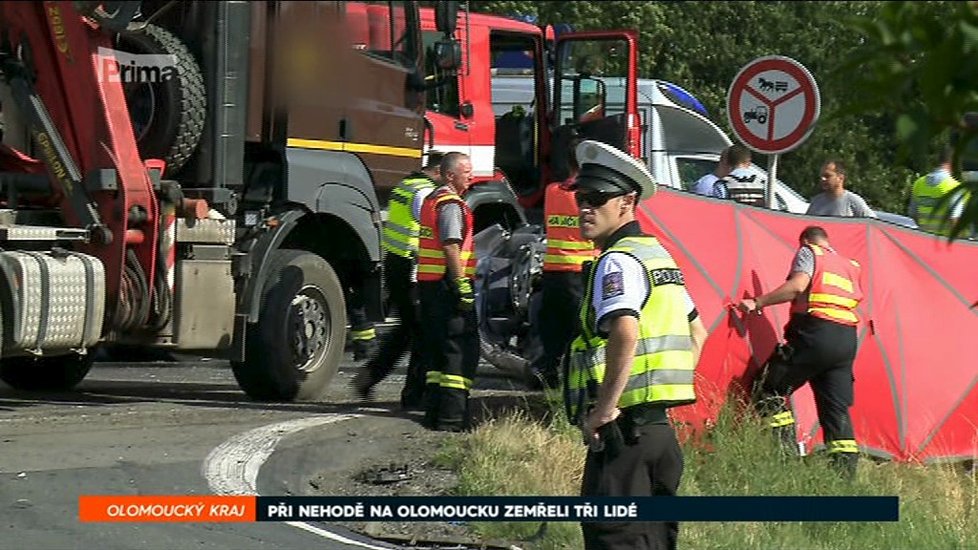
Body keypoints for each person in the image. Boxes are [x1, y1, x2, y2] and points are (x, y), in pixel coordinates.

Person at [565, 139, 708, 550]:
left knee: (616, 539)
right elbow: (698, 333)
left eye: (597, 198)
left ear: (627, 201)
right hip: (659, 435)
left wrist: (604, 409)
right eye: (581, 198)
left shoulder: (617, 260)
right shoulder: (658, 256)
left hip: (624, 435)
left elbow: (625, 332)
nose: (585, 207)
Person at [737, 225, 863, 480]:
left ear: (806, 241)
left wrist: (758, 302)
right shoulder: (850, 265)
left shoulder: (809, 252)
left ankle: (785, 456)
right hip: (847, 340)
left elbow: (797, 286)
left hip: (816, 332)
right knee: (835, 408)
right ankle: (845, 478)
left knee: (767, 388)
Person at [353, 151, 443, 406]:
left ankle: (370, 376)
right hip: (413, 267)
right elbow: (432, 231)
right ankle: (414, 395)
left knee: (406, 331)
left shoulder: (405, 185)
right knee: (423, 333)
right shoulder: (426, 192)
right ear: (438, 171)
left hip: (396, 264)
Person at [416, 152, 479, 432]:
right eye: (466, 171)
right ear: (450, 175)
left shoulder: (432, 200)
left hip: (430, 284)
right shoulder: (451, 204)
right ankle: (452, 418)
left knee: (438, 350)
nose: (471, 176)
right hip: (447, 285)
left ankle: (434, 412)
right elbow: (451, 245)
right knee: (459, 348)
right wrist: (460, 283)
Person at [528, 137, 596, 389]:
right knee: (580, 329)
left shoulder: (552, 191)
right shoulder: (587, 196)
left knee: (552, 327)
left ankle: (546, 374)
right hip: (580, 271)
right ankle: (578, 382)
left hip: (553, 271)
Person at [909, 145, 966, 236]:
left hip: (923, 240)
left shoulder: (919, 183)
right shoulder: (954, 187)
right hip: (944, 243)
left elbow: (913, 214)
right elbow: (954, 220)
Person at [805, 160, 877, 218]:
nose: (823, 179)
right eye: (821, 176)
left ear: (840, 178)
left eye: (827, 176)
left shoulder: (853, 201)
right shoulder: (816, 201)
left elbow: (873, 223)